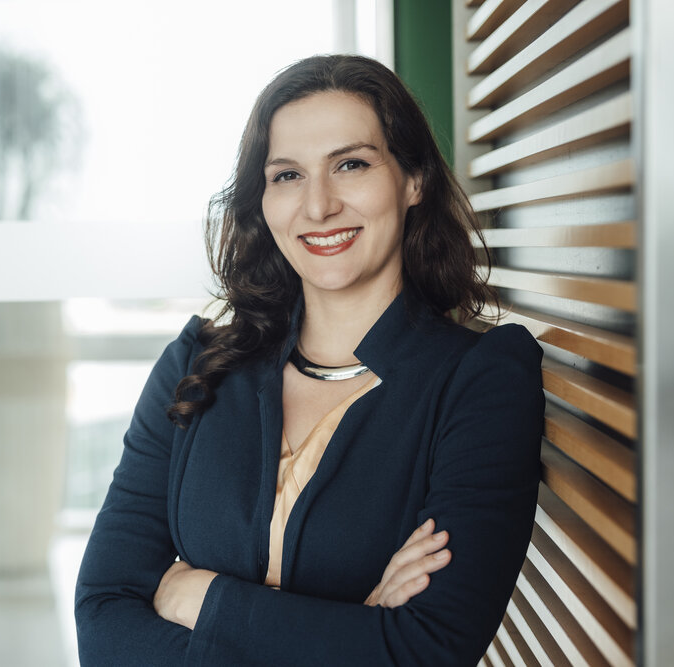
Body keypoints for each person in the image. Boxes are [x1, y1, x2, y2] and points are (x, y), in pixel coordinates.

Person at [75, 54, 544, 666]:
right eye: (287, 175)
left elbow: (426, 652)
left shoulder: (480, 383)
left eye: (351, 164)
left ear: (413, 179)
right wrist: (353, 634)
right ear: (262, 197)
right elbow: (103, 621)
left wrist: (198, 595)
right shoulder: (196, 367)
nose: (318, 206)